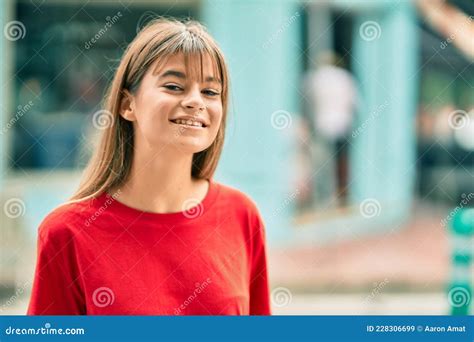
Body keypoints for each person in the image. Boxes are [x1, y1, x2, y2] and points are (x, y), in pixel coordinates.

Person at [27, 18, 270, 315]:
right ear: (128, 105)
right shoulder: (66, 234)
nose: (196, 101)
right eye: (174, 86)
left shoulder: (241, 215)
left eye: (209, 92)